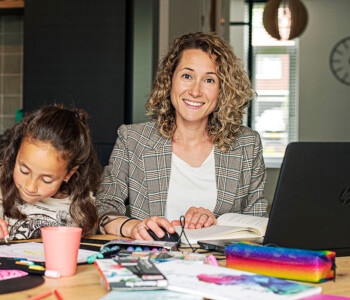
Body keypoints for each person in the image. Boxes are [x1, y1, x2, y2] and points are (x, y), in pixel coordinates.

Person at [95, 32, 268, 240]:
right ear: (170, 81)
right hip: (151, 264)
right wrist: (133, 227)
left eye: (209, 80)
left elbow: (259, 223)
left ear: (223, 90)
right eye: (187, 76)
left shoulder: (247, 144)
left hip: (220, 268)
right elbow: (102, 209)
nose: (195, 91)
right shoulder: (132, 139)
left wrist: (216, 221)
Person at [0, 105, 102, 240]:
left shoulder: (83, 206)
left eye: (46, 180)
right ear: (15, 154)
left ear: (69, 174)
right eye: (24, 171)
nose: (30, 186)